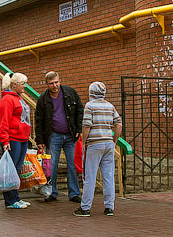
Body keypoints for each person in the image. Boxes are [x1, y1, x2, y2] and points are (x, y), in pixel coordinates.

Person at [34, 71, 84, 202]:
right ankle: (52, 192)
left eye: (56, 82)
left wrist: (79, 128)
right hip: (53, 135)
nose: (54, 85)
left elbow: (80, 110)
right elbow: (38, 120)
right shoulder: (43, 98)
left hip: (70, 135)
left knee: (72, 165)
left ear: (60, 81)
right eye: (51, 84)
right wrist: (39, 140)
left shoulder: (70, 93)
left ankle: (73, 193)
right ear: (47, 84)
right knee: (52, 165)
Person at [75, 81, 122, 217]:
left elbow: (86, 125)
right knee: (108, 176)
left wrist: (84, 142)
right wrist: (114, 141)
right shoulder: (110, 106)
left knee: (90, 176)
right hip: (108, 144)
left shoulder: (90, 106)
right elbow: (119, 125)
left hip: (94, 144)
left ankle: (85, 208)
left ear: (91, 93)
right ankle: (109, 207)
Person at [0, 71, 32, 209]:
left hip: (22, 138)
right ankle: (10, 200)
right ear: (14, 85)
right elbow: (4, 121)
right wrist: (5, 140)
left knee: (16, 169)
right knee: (11, 170)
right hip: (13, 138)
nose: (25, 86)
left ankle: (15, 198)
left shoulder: (18, 98)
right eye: (22, 84)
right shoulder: (7, 99)